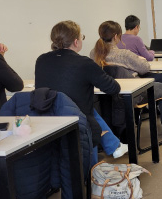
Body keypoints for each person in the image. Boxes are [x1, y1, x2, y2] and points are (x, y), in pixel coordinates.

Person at [92, 21, 162, 136]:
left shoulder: (94, 54)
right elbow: (144, 68)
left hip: (109, 93)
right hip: (134, 93)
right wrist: (140, 60)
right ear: (116, 36)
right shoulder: (123, 54)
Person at [35, 20, 127, 159]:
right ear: (76, 42)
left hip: (46, 117)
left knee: (86, 108)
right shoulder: (84, 63)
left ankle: (113, 144)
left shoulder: (41, 60)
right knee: (87, 109)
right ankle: (113, 146)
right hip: (78, 121)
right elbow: (113, 88)